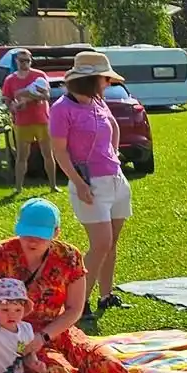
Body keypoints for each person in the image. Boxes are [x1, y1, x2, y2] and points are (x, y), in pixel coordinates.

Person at [0, 198, 130, 373]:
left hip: (57, 330)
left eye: (40, 235)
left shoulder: (69, 257)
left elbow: (74, 309)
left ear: (56, 233)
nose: (32, 240)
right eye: (27, 233)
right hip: (14, 336)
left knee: (109, 365)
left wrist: (44, 336)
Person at [48, 50, 132, 316]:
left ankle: (106, 295)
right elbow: (59, 151)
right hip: (89, 184)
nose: (108, 83)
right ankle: (78, 303)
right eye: (104, 78)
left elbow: (113, 127)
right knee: (101, 243)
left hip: (116, 180)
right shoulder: (62, 108)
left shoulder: (98, 102)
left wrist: (114, 156)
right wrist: (78, 182)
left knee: (112, 242)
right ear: (91, 79)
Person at [1, 49, 55, 191]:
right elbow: (6, 98)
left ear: (31, 61)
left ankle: (53, 186)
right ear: (16, 61)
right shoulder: (10, 80)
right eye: (21, 60)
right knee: (21, 156)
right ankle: (18, 187)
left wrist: (28, 98)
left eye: (27, 60)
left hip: (42, 120)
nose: (24, 63)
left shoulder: (39, 76)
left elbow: (46, 96)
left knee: (48, 154)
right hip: (22, 122)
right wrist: (12, 106)